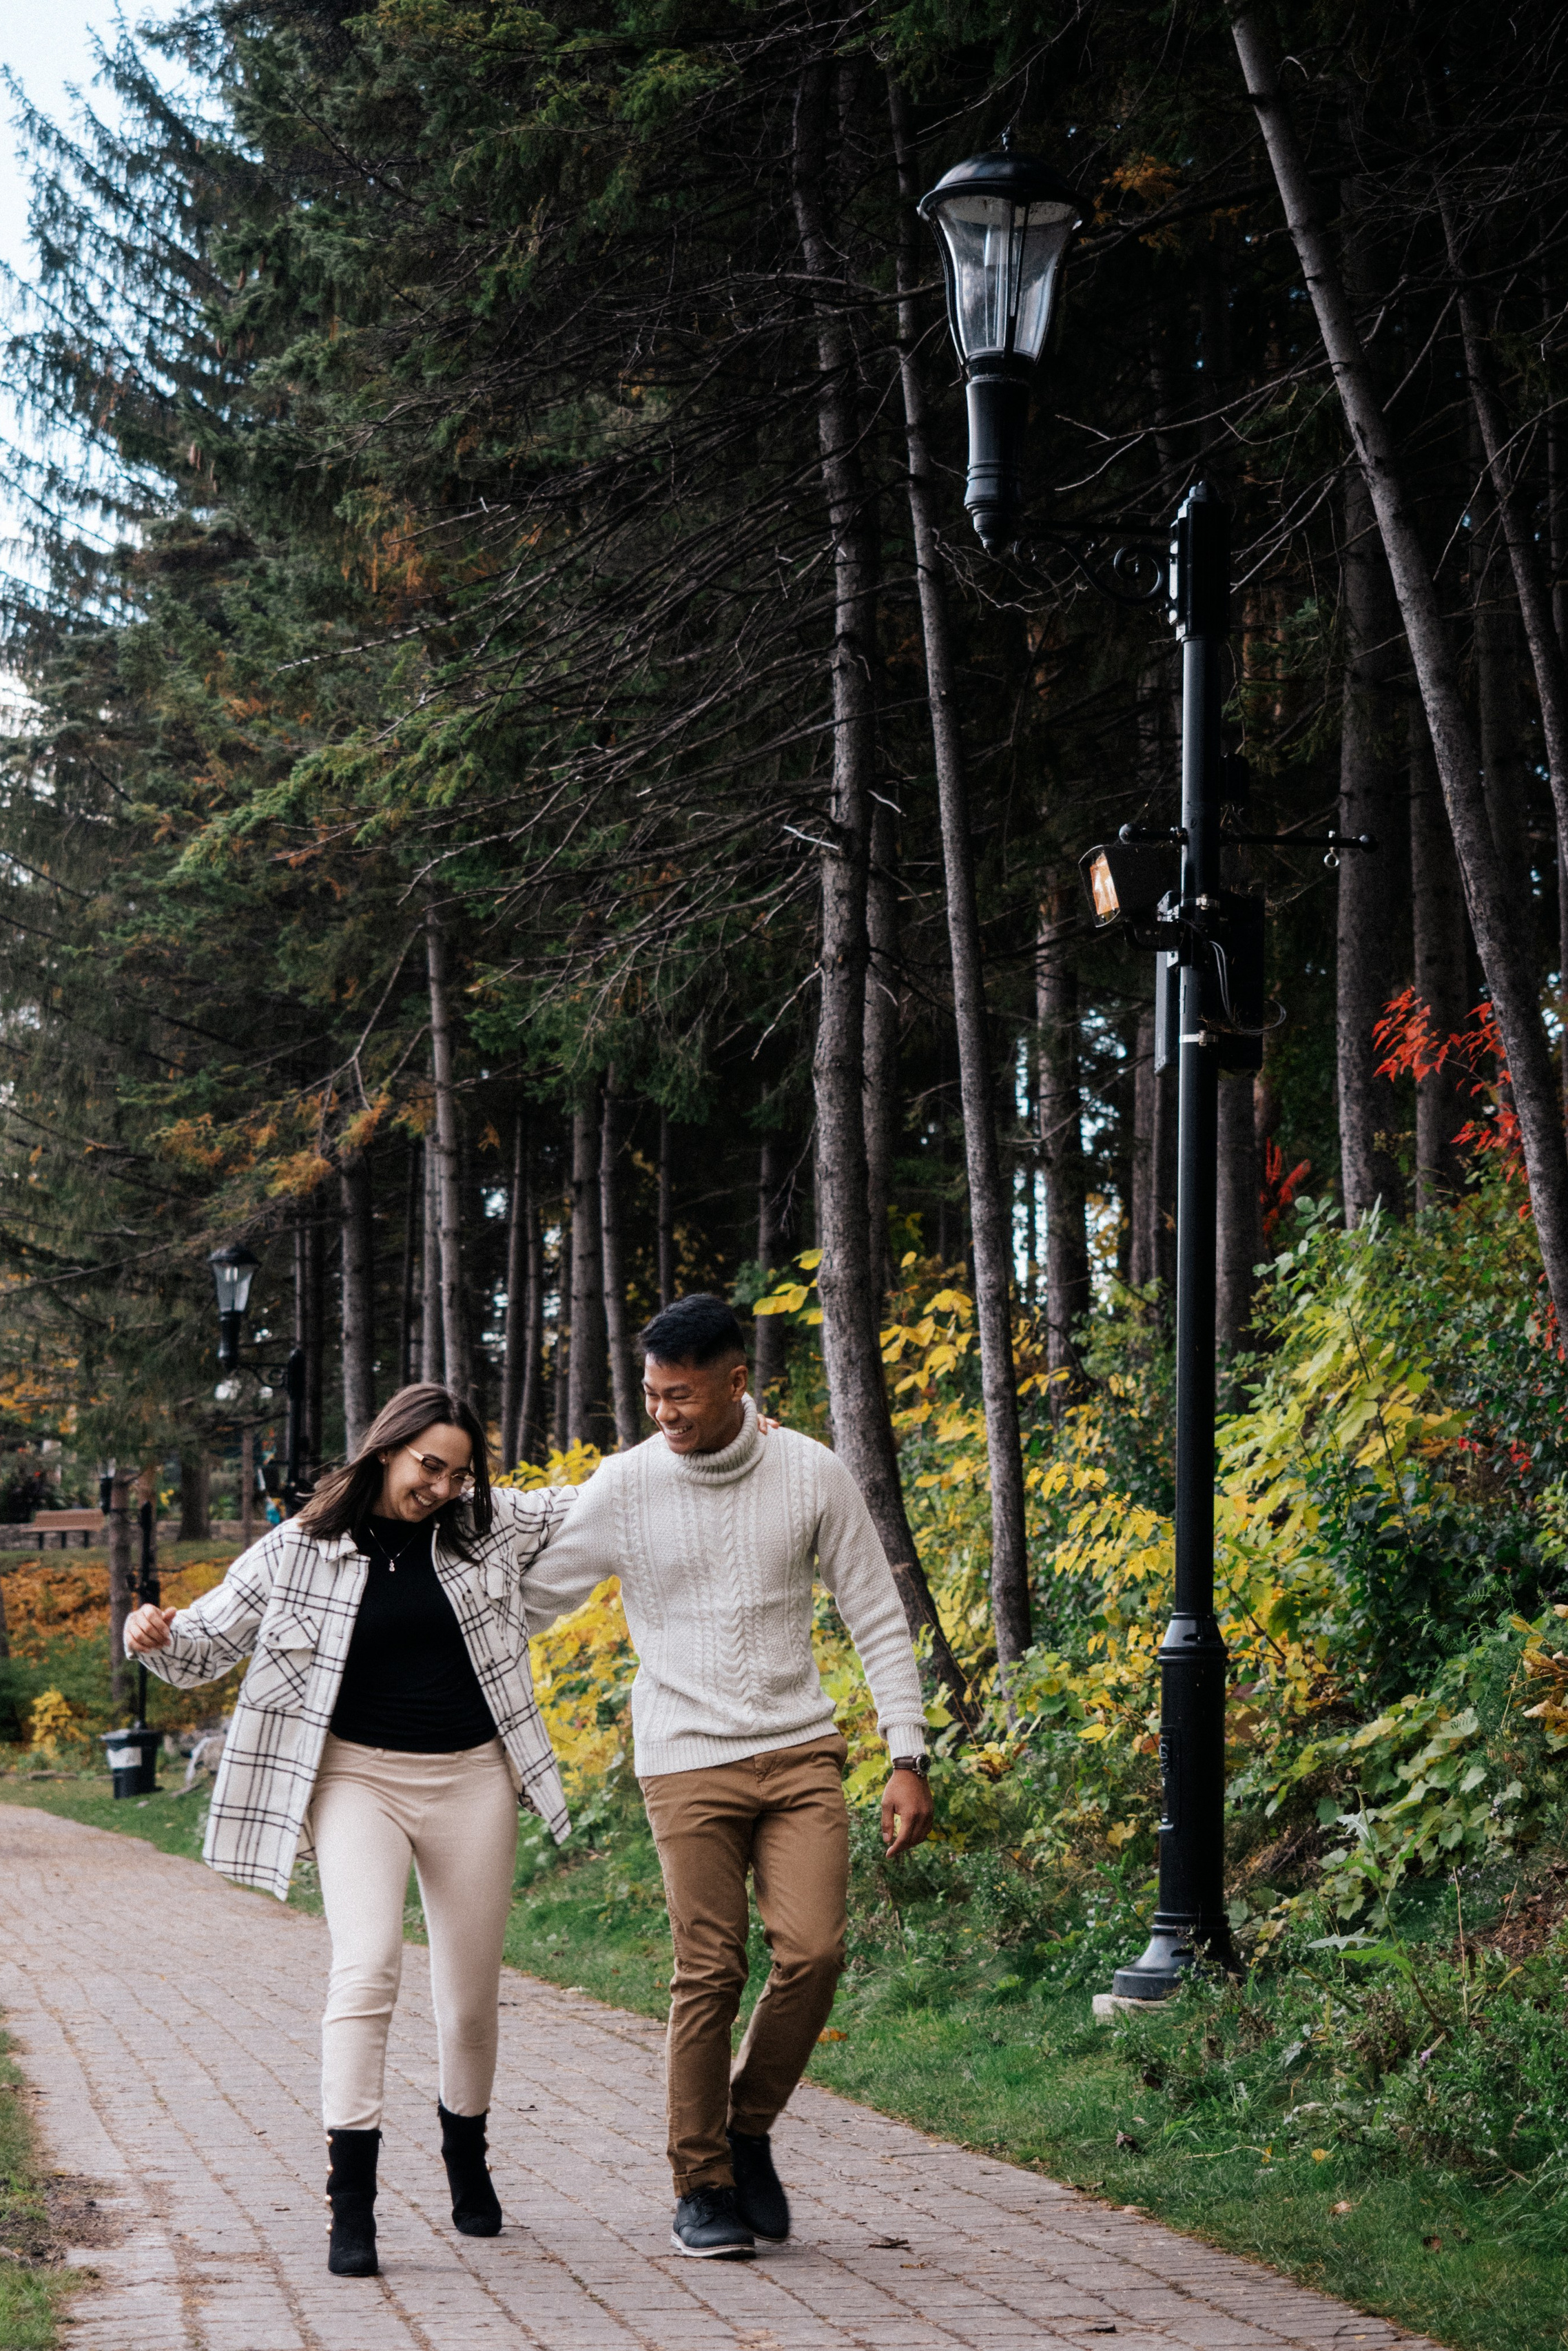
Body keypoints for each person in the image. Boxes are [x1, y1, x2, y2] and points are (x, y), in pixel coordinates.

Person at [124, 1382, 572, 2280]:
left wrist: (716, 1436)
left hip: (473, 1780)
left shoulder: (485, 1527)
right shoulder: (298, 1548)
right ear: (387, 1450)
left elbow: (597, 1499)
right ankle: (352, 2204)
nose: (442, 1488)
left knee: (469, 2000)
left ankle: (466, 2158)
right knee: (366, 1967)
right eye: (429, 1468)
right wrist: (153, 1634)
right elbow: (204, 1643)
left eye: (458, 1474)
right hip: (357, 1779)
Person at [518, 1293, 933, 2260]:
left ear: (737, 1381)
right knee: (709, 1969)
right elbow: (539, 1598)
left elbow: (876, 1613)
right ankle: (701, 2184)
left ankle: (746, 2130)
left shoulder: (810, 1470)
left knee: (815, 1954)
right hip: (685, 1757)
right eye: (652, 1396)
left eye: (682, 1396)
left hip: (799, 1750)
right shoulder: (625, 1486)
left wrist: (907, 1754)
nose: (663, 1413)